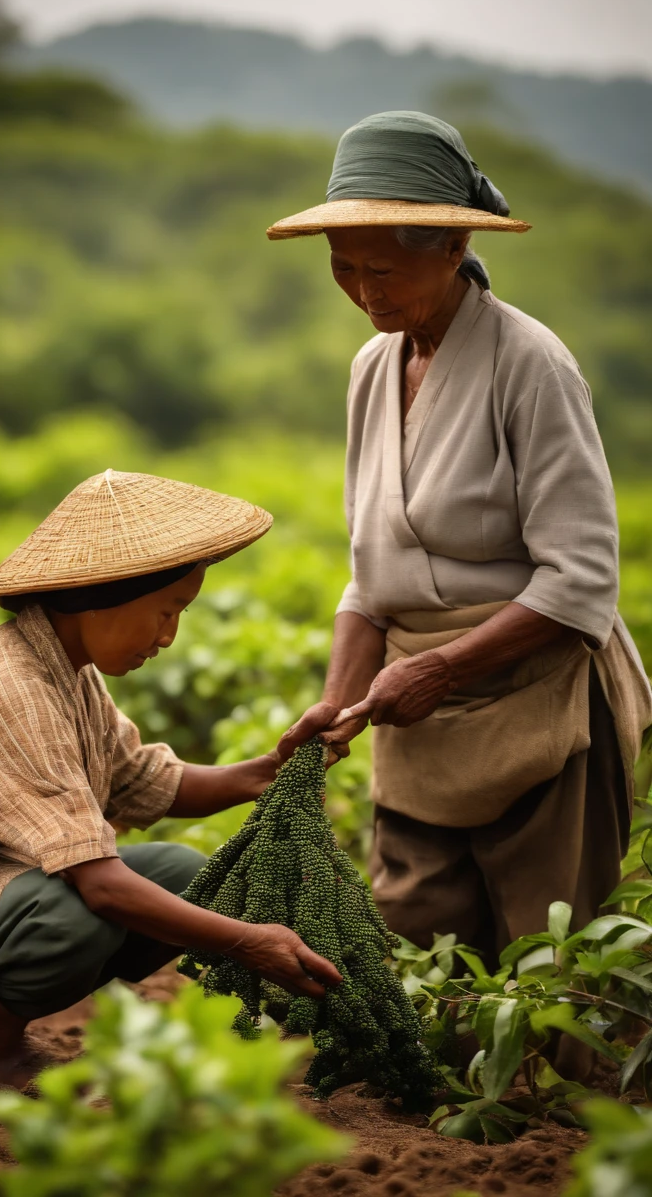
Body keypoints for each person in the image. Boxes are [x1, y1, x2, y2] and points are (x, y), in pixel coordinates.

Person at [272, 111, 652, 960]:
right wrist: (338, 703)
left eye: (384, 267)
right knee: (418, 954)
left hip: (536, 711)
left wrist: (442, 668)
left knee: (551, 962)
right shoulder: (373, 369)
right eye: (344, 268)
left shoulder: (532, 365)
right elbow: (373, 575)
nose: (365, 290)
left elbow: (581, 581)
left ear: (452, 247)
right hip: (416, 722)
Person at [0, 469, 341, 1087]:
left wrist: (277, 768)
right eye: (166, 611)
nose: (168, 636)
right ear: (101, 597)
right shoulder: (11, 690)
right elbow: (101, 886)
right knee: (80, 915)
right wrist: (246, 941)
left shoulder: (69, 669)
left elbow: (148, 782)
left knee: (186, 875)